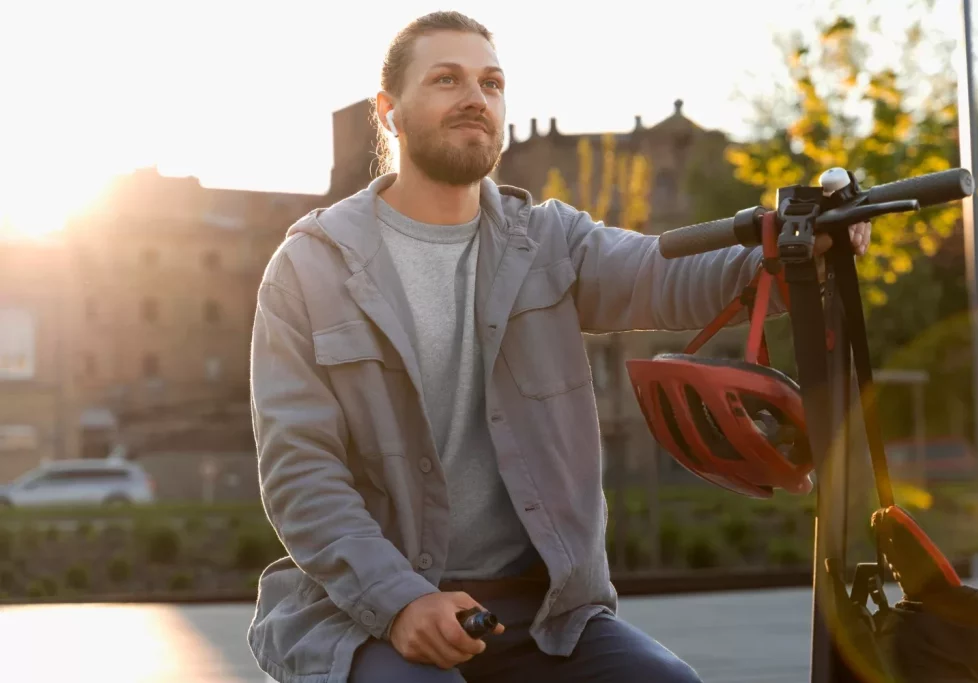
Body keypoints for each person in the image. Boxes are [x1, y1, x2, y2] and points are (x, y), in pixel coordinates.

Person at [247, 11, 872, 683]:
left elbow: (664, 274)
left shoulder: (547, 240)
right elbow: (301, 477)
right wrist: (400, 601)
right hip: (363, 614)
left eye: (491, 83)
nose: (474, 98)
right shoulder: (310, 268)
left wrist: (794, 256)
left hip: (541, 614)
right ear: (389, 112)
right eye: (446, 80)